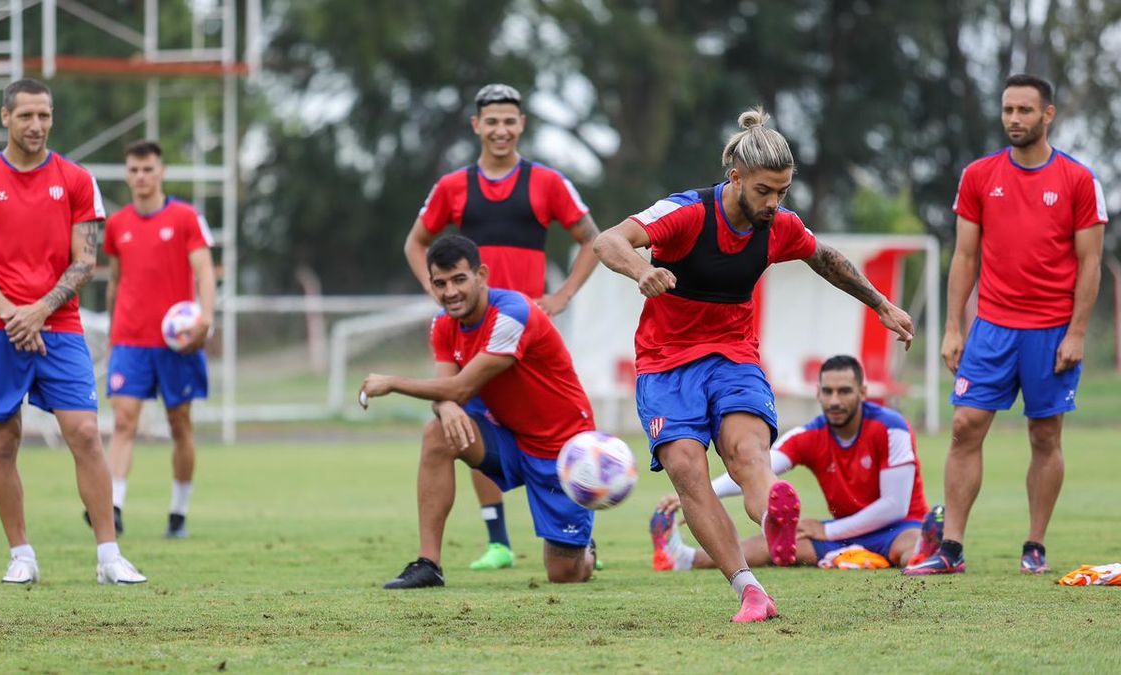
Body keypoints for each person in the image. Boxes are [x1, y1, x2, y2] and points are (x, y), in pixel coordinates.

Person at [593, 107, 914, 622]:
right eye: (765, 190)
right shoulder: (686, 214)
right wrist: (640, 269)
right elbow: (607, 240)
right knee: (686, 470)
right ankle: (749, 587)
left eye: (783, 192)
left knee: (749, 455)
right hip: (666, 364)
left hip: (733, 357)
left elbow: (825, 258)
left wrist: (881, 304)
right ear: (736, 176)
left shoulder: (779, 227)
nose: (774, 203)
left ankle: (774, 517)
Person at [904, 74, 1107, 577]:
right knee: (963, 427)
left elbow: (1091, 265)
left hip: (1053, 329)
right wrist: (953, 327)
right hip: (992, 328)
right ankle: (951, 547)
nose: (1014, 119)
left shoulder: (1079, 181)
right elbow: (965, 256)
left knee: (1045, 435)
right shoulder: (979, 175)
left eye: (1025, 110)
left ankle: (1034, 545)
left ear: (1048, 115)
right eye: (1008, 110)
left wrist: (1078, 333)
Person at [0, 78, 146, 585]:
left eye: (44, 116)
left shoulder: (77, 180)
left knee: (84, 434)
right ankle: (22, 555)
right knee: (2, 443)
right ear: (5, 118)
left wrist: (39, 311)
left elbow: (85, 261)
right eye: (26, 116)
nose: (36, 126)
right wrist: (16, 315)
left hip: (59, 327)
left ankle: (108, 557)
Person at [402, 83, 601, 572]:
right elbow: (415, 243)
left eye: (510, 120)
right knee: (454, 424)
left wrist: (562, 296)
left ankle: (575, 536)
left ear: (522, 124)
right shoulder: (452, 186)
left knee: (539, 425)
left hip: (527, 340)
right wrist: (441, 294)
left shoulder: (547, 182)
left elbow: (592, 239)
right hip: (471, 340)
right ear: (476, 126)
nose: (501, 130)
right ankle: (498, 541)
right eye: (491, 121)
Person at [361, 235, 598, 590]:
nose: (450, 292)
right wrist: (445, 407)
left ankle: (584, 550)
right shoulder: (443, 325)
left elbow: (458, 388)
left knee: (564, 574)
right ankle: (429, 565)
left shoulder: (513, 314)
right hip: (507, 437)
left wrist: (393, 382)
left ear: (481, 275)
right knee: (437, 434)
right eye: (439, 283)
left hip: (560, 448)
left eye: (459, 279)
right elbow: (447, 391)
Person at [650, 355, 944, 571]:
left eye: (844, 391)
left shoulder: (892, 427)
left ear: (863, 394)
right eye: (827, 392)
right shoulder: (811, 434)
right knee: (768, 545)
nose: (835, 400)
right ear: (817, 394)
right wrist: (700, 494)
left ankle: (924, 552)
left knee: (910, 542)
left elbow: (895, 506)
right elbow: (758, 469)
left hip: (896, 527)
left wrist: (826, 531)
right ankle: (682, 558)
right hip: (842, 530)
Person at [96, 140, 216, 539]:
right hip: (130, 340)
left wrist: (206, 319)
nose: (141, 177)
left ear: (161, 171)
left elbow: (204, 272)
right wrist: (113, 331)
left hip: (176, 343)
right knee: (124, 421)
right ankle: (113, 506)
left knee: (179, 425)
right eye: (133, 170)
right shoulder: (117, 225)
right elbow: (114, 281)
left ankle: (178, 513)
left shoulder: (185, 217)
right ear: (127, 174)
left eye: (148, 169)